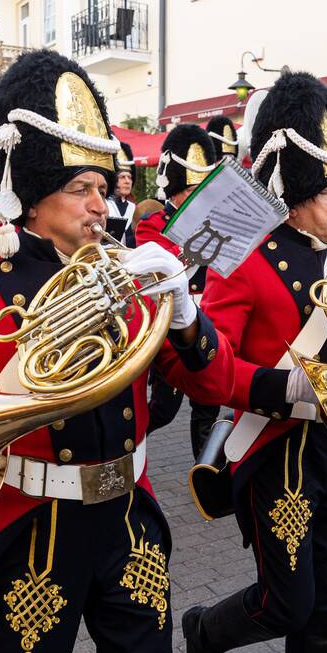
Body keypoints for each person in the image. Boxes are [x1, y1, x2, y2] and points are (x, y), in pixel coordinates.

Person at [0, 49, 234, 653]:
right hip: (33, 530)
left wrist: (183, 313)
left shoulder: (133, 278)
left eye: (102, 188)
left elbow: (216, 383)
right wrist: (6, 394)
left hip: (128, 515)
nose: (101, 205)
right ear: (32, 198)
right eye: (80, 189)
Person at [185, 71, 327, 653]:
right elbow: (210, 369)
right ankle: (204, 632)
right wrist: (281, 387)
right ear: (296, 191)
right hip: (273, 449)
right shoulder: (243, 257)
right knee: (286, 603)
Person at [134, 124, 219, 452]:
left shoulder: (215, 222)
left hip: (206, 319)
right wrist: (190, 252)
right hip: (171, 328)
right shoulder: (152, 224)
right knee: (164, 410)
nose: (198, 198)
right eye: (191, 190)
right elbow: (157, 273)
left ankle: (205, 471)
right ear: (174, 190)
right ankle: (131, 442)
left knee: (208, 402)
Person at [106, 141, 136, 246]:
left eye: (130, 177)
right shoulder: (103, 206)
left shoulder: (134, 208)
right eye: (122, 177)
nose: (127, 181)